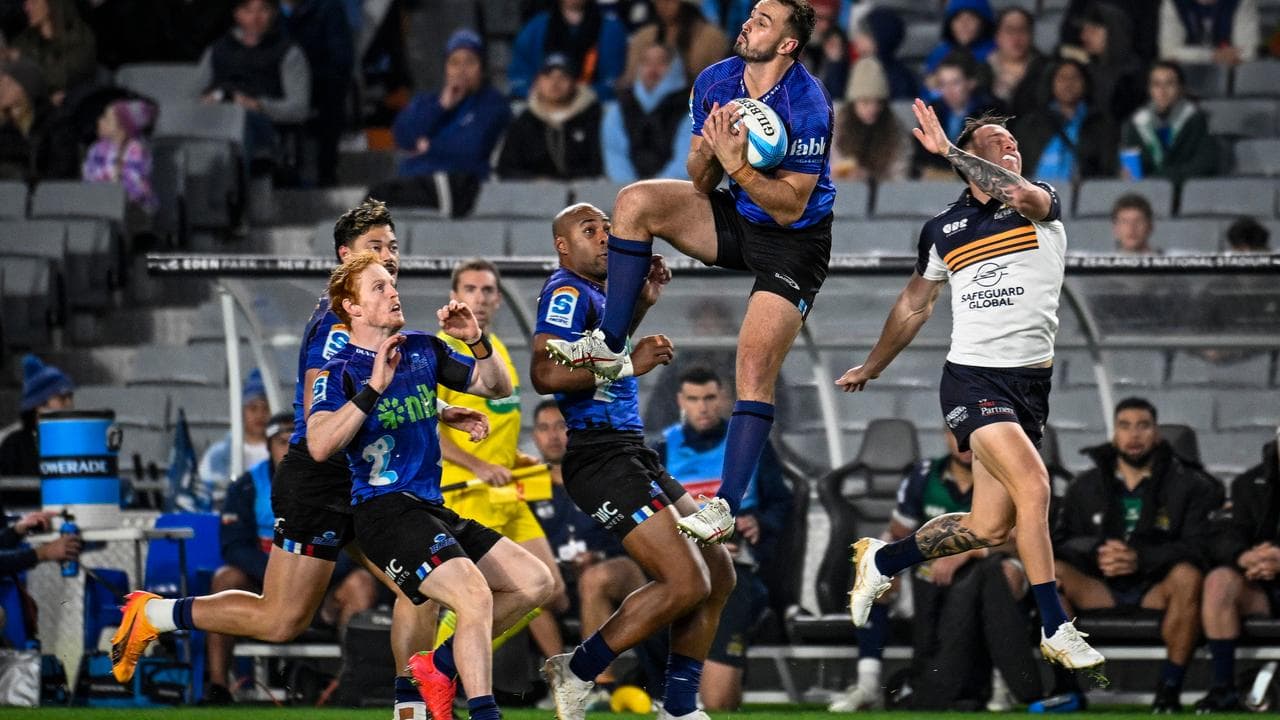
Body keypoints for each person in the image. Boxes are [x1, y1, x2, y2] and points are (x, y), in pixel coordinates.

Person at [110, 200, 455, 720]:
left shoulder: (381, 315)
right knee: (281, 620)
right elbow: (325, 413)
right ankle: (154, 613)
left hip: (370, 481)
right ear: (345, 256)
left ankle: (413, 709)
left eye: (393, 247)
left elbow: (391, 387)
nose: (389, 257)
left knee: (423, 587)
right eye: (375, 248)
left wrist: (441, 408)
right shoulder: (340, 323)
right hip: (321, 480)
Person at [544, 0, 832, 547]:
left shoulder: (808, 103)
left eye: (764, 21)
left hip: (794, 243)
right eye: (751, 14)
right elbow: (699, 181)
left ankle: (724, 504)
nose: (748, 23)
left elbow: (790, 208)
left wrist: (740, 163)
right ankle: (608, 344)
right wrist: (716, 154)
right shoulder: (717, 79)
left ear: (789, 44)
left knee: (752, 365)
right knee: (634, 201)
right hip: (738, 215)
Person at [839, 103, 1104, 674]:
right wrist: (873, 365)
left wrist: (954, 154)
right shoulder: (943, 230)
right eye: (994, 141)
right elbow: (915, 304)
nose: (1010, 147)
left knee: (990, 526)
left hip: (1030, 386)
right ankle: (1057, 626)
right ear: (969, 162)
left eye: (1013, 140)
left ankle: (885, 558)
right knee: (1035, 485)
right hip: (972, 380)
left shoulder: (1041, 203)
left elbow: (1020, 192)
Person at [307, 250, 552, 720]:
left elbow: (496, 387)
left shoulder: (421, 348)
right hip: (383, 510)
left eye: (392, 283)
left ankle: (435, 666)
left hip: (429, 507)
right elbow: (320, 445)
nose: (393, 291)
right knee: (474, 594)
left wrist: (478, 342)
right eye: (378, 286)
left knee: (535, 581)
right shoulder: (339, 369)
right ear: (352, 307)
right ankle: (483, 711)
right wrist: (373, 388)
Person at [530, 202, 735, 720]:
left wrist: (641, 303)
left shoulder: (600, 294)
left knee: (718, 568)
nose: (604, 236)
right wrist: (630, 364)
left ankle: (680, 705)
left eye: (607, 228)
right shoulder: (566, 291)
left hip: (629, 450)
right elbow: (546, 376)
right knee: (685, 581)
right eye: (588, 229)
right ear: (563, 246)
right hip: (599, 456)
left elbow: (599, 350)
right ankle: (578, 668)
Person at [829, 430, 1071, 712]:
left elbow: (1021, 539)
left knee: (1006, 575)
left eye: (977, 432)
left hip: (988, 568)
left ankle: (1001, 685)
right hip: (928, 576)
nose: (967, 441)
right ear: (946, 436)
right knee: (875, 578)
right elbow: (898, 532)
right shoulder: (924, 475)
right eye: (960, 433)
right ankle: (868, 685)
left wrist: (968, 552)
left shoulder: (1011, 473)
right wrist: (887, 564)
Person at [435, 258, 569, 662]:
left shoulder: (496, 354)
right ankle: (440, 667)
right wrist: (478, 466)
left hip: (506, 490)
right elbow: (429, 427)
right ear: (454, 298)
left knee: (549, 589)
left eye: (488, 290)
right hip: (468, 493)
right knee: (492, 594)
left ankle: (442, 665)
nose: (480, 298)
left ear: (498, 299)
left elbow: (493, 425)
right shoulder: (443, 353)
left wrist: (515, 457)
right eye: (471, 290)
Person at [1052, 397, 1222, 713]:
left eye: (1143, 426)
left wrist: (1140, 558)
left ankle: (1169, 691)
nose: (1134, 435)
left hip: (1156, 587)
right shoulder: (1084, 486)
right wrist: (1097, 551)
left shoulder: (1189, 485)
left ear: (1156, 433)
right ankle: (1068, 689)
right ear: (1114, 434)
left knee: (1189, 576)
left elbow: (1200, 547)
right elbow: (1061, 542)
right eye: (1125, 426)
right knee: (1052, 574)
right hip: (1099, 586)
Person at [203, 412, 377, 703]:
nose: (288, 448)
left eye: (296, 441)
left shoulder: (338, 482)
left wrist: (313, 581)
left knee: (361, 584)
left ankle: (348, 684)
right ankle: (218, 686)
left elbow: (354, 544)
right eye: (281, 442)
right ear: (268, 445)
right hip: (264, 579)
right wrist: (276, 577)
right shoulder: (247, 485)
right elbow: (234, 545)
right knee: (225, 579)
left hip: (322, 581)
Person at [647, 365, 792, 710]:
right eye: (694, 399)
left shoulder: (750, 445)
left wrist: (760, 523)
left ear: (725, 398)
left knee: (718, 702)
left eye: (710, 397)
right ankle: (653, 688)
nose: (703, 407)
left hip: (737, 569)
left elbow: (782, 503)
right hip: (680, 564)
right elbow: (651, 514)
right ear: (681, 401)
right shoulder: (663, 449)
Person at [370, 29, 510, 218]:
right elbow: (402, 135)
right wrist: (441, 106)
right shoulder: (429, 102)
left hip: (458, 183)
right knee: (372, 203)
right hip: (414, 179)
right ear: (446, 67)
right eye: (454, 62)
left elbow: (470, 147)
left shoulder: (492, 104)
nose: (461, 70)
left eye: (470, 62)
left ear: (482, 69)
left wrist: (428, 146)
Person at [1197, 439, 1278, 712]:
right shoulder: (1249, 483)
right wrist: (1245, 556)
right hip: (1262, 585)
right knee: (1219, 582)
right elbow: (1224, 535)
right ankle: (1223, 689)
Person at [194, 0, 311, 172]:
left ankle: (238, 179)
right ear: (237, 14)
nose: (255, 18)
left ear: (274, 13)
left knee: (242, 120)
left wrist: (257, 105)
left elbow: (299, 109)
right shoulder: (217, 50)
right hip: (217, 118)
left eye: (263, 10)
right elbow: (192, 96)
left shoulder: (288, 53)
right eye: (248, 10)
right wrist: (208, 101)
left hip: (264, 125)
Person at [279, 0, 354, 187]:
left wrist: (303, 79)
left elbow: (341, 59)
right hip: (275, 85)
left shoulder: (329, 8)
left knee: (331, 98)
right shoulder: (265, 11)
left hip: (320, 83)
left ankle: (325, 172)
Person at [497, 53, 603, 181]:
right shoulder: (524, 121)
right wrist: (537, 181)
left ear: (574, 82)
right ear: (538, 82)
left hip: (584, 193)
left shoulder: (593, 117)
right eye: (548, 76)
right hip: (534, 195)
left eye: (563, 77)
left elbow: (598, 166)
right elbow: (506, 168)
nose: (555, 83)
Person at [1012, 59, 1117, 183]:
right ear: (1051, 83)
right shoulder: (1031, 125)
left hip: (1086, 194)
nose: (1069, 83)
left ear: (1085, 83)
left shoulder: (1100, 124)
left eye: (1075, 77)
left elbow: (1107, 168)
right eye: (1062, 78)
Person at [602, 41, 692, 184]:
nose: (653, 68)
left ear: (675, 68)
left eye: (661, 62)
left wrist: (652, 194)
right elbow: (615, 158)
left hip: (674, 193)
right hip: (625, 195)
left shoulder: (691, 111)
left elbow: (685, 162)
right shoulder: (618, 109)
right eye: (646, 62)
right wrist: (633, 193)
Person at [1120, 60, 1219, 184]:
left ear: (1181, 89)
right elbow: (1130, 167)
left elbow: (1205, 164)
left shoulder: (1197, 120)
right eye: (1156, 85)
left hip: (1186, 190)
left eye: (1169, 84)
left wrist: (1162, 179)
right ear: (1149, 90)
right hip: (1147, 192)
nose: (1162, 91)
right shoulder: (1135, 124)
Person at [508, 0, 629, 101]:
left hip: (593, 105)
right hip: (543, 105)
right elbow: (519, 75)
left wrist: (574, 94)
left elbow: (613, 80)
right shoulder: (535, 28)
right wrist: (542, 93)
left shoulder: (611, 29)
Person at [912, 51, 1006, 179]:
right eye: (943, 84)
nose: (948, 90)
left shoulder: (991, 112)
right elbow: (922, 159)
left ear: (971, 83)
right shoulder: (932, 112)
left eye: (955, 82)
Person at [197, 368, 271, 506]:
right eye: (253, 408)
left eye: (265, 408)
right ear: (242, 411)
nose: (260, 415)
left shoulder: (284, 452)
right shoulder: (217, 455)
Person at [831, 58, 909, 182]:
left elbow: (899, 177)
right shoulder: (832, 125)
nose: (873, 108)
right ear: (853, 103)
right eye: (865, 102)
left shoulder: (895, 130)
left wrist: (867, 178)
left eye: (878, 102)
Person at [0, 56, 77, 181]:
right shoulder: (6, 126)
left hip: (48, 195)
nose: (1, 89)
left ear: (25, 90)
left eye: (7, 84)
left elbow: (62, 170)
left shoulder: (57, 123)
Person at [81, 99, 159, 220]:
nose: (101, 121)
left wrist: (113, 187)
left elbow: (136, 185)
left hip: (134, 208)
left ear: (122, 128)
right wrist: (106, 183)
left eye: (107, 119)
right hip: (101, 202)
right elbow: (89, 173)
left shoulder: (137, 150)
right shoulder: (97, 149)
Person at [6, 0, 96, 105]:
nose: (26, 8)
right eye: (26, 3)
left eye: (33, 2)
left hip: (77, 100)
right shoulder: (23, 41)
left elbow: (62, 77)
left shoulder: (80, 36)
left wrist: (24, 63)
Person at [0, 355, 74, 478]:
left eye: (70, 396)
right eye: (62, 398)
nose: (69, 403)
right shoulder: (14, 445)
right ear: (39, 405)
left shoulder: (77, 439)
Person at [624, 0, 727, 87]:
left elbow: (719, 83)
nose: (663, 5)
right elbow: (630, 79)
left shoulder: (711, 38)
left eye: (670, 1)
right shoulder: (643, 37)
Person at [1075, 4, 1148, 129]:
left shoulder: (1136, 77)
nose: (1083, 37)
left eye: (1092, 30)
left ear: (1115, 32)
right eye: (1083, 30)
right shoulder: (1083, 72)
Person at [982, 7, 1049, 118]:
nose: (1016, 37)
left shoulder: (1046, 70)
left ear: (1031, 35)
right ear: (997, 36)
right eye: (1010, 30)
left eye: (1022, 30)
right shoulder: (981, 70)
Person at [1159, 0, 1259, 66]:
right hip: (1186, 77)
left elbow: (1247, 53)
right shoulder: (1173, 3)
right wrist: (1211, 55)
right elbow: (1168, 52)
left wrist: (1186, 55)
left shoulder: (1242, 2)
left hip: (1230, 75)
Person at [849, 6, 918, 101]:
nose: (857, 40)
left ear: (879, 39)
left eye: (864, 34)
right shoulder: (853, 65)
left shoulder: (899, 79)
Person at [922, 0, 995, 83]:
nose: (964, 25)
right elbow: (927, 92)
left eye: (971, 18)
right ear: (949, 24)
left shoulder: (996, 53)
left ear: (983, 23)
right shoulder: (939, 54)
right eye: (957, 18)